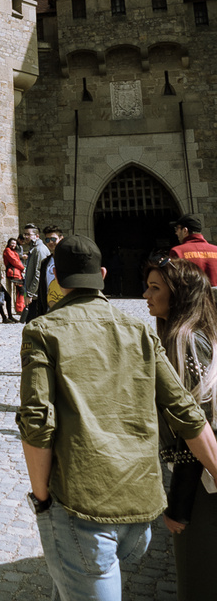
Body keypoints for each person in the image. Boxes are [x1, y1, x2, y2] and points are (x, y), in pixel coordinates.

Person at [18, 233, 217, 601]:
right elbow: (188, 412)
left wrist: (42, 500)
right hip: (140, 505)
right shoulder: (139, 330)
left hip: (83, 505)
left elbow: (36, 423)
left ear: (58, 280)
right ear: (104, 275)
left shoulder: (42, 331)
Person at [143, 257, 217, 600]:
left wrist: (180, 504)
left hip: (203, 481)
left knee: (199, 574)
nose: (145, 294)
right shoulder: (190, 333)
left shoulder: (183, 338)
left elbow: (196, 422)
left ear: (179, 294)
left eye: (155, 288)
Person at [169, 215, 217, 286]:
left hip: (192, 296)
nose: (176, 233)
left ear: (185, 230)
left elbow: (174, 283)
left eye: (177, 229)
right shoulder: (215, 250)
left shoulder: (177, 251)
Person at [22, 224, 48, 322]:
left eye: (28, 234)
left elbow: (38, 273)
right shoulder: (34, 249)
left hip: (37, 297)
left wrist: (30, 294)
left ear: (37, 236)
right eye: (25, 234)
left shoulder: (39, 250)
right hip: (34, 296)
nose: (26, 237)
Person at [35, 227, 63, 317]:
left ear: (61, 238)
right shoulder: (45, 263)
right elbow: (42, 289)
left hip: (65, 310)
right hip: (48, 312)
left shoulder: (68, 260)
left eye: (53, 239)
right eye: (47, 239)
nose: (50, 242)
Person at [3, 237, 25, 316]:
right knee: (20, 290)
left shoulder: (13, 251)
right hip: (13, 273)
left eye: (15, 244)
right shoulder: (8, 251)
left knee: (21, 290)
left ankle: (21, 308)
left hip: (16, 272)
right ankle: (20, 309)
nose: (13, 245)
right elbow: (14, 261)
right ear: (9, 243)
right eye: (12, 243)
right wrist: (23, 268)